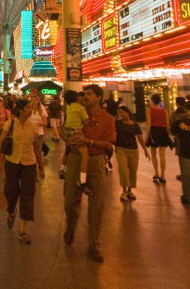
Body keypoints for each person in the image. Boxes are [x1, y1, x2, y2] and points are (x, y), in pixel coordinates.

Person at [62, 84, 116, 263]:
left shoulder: (108, 119)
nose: (85, 96)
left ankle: (93, 243)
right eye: (84, 94)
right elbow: (64, 129)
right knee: (70, 200)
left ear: (99, 97)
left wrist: (89, 141)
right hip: (75, 159)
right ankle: (70, 227)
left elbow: (109, 145)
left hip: (96, 162)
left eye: (90, 94)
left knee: (97, 204)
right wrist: (67, 138)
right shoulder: (76, 110)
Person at [0, 98, 45, 245]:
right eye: (28, 108)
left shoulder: (33, 126)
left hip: (29, 164)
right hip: (12, 163)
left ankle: (22, 229)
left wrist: (41, 167)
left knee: (28, 194)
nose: (31, 110)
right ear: (21, 110)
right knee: (10, 191)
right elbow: (1, 143)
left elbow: (36, 149)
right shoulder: (10, 124)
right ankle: (11, 210)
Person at [59, 89, 92, 195]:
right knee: (85, 156)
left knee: (67, 150)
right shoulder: (80, 108)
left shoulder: (69, 107)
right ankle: (82, 181)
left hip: (68, 131)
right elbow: (87, 121)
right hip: (76, 132)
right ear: (77, 97)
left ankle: (62, 169)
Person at [115, 105, 149, 201]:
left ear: (128, 112)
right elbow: (112, 133)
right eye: (119, 112)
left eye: (122, 112)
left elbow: (139, 138)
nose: (120, 114)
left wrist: (145, 150)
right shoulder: (117, 123)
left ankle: (130, 190)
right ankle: (124, 191)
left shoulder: (135, 125)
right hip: (120, 148)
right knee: (123, 169)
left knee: (133, 170)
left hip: (133, 150)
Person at [146, 93, 173, 184]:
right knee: (162, 155)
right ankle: (163, 175)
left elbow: (149, 124)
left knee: (153, 154)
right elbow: (168, 124)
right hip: (163, 132)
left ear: (152, 101)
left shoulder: (149, 110)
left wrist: (147, 136)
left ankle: (156, 173)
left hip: (154, 131)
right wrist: (167, 134)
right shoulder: (164, 111)